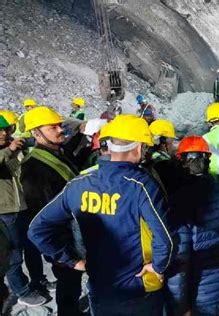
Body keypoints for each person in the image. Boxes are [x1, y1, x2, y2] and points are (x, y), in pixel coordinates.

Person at [28, 114, 174, 316]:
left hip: (99, 289)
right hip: (137, 289)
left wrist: (71, 260)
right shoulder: (141, 185)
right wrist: (158, 267)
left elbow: (37, 230)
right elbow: (165, 239)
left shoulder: (78, 184)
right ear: (140, 147)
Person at [165, 135, 219, 315]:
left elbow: (180, 258)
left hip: (201, 296)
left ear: (182, 163)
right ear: (208, 160)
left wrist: (179, 306)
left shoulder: (178, 201)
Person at [21, 106, 82, 315]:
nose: (60, 129)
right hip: (63, 242)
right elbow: (40, 216)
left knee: (72, 285)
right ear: (36, 133)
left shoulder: (57, 154)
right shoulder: (33, 168)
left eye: (59, 124)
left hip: (73, 236)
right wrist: (61, 253)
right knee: (68, 287)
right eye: (52, 127)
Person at [0, 114, 48, 307]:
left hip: (20, 206)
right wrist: (9, 150)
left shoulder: (8, 148)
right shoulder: (5, 151)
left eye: (6, 129)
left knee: (31, 245)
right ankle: (22, 291)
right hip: (4, 211)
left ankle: (38, 279)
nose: (3, 133)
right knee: (13, 254)